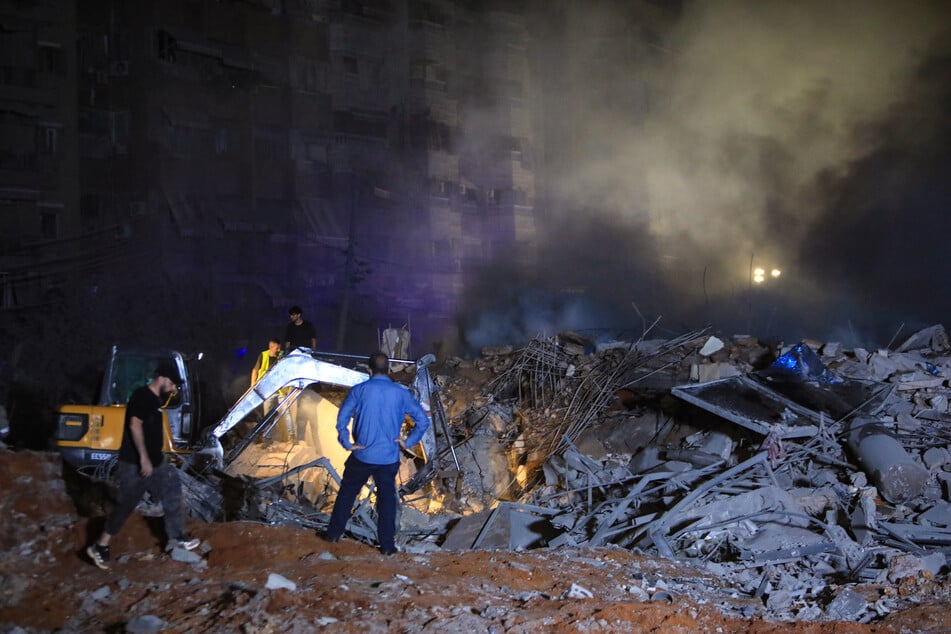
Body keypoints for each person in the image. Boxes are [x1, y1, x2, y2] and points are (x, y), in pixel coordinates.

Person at [85, 363, 200, 569]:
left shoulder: (154, 401)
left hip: (156, 463)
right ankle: (100, 546)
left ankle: (177, 537)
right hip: (134, 463)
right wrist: (144, 458)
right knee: (127, 503)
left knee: (172, 485)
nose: (174, 389)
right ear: (162, 379)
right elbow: (134, 425)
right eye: (173, 384)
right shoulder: (142, 396)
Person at [324, 352, 431, 555]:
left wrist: (347, 442)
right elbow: (423, 421)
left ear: (369, 370)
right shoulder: (400, 393)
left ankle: (333, 535)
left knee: (347, 493)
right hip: (388, 458)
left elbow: (342, 418)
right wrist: (407, 442)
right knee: (387, 501)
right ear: (389, 370)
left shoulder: (359, 390)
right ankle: (387, 547)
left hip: (362, 455)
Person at [251, 337, 294, 442]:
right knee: (267, 416)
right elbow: (255, 370)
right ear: (271, 347)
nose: (279, 350)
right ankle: (267, 437)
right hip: (268, 390)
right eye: (277, 348)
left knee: (286, 412)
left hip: (281, 390)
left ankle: (292, 436)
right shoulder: (263, 355)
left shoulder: (282, 355)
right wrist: (253, 384)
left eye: (279, 348)